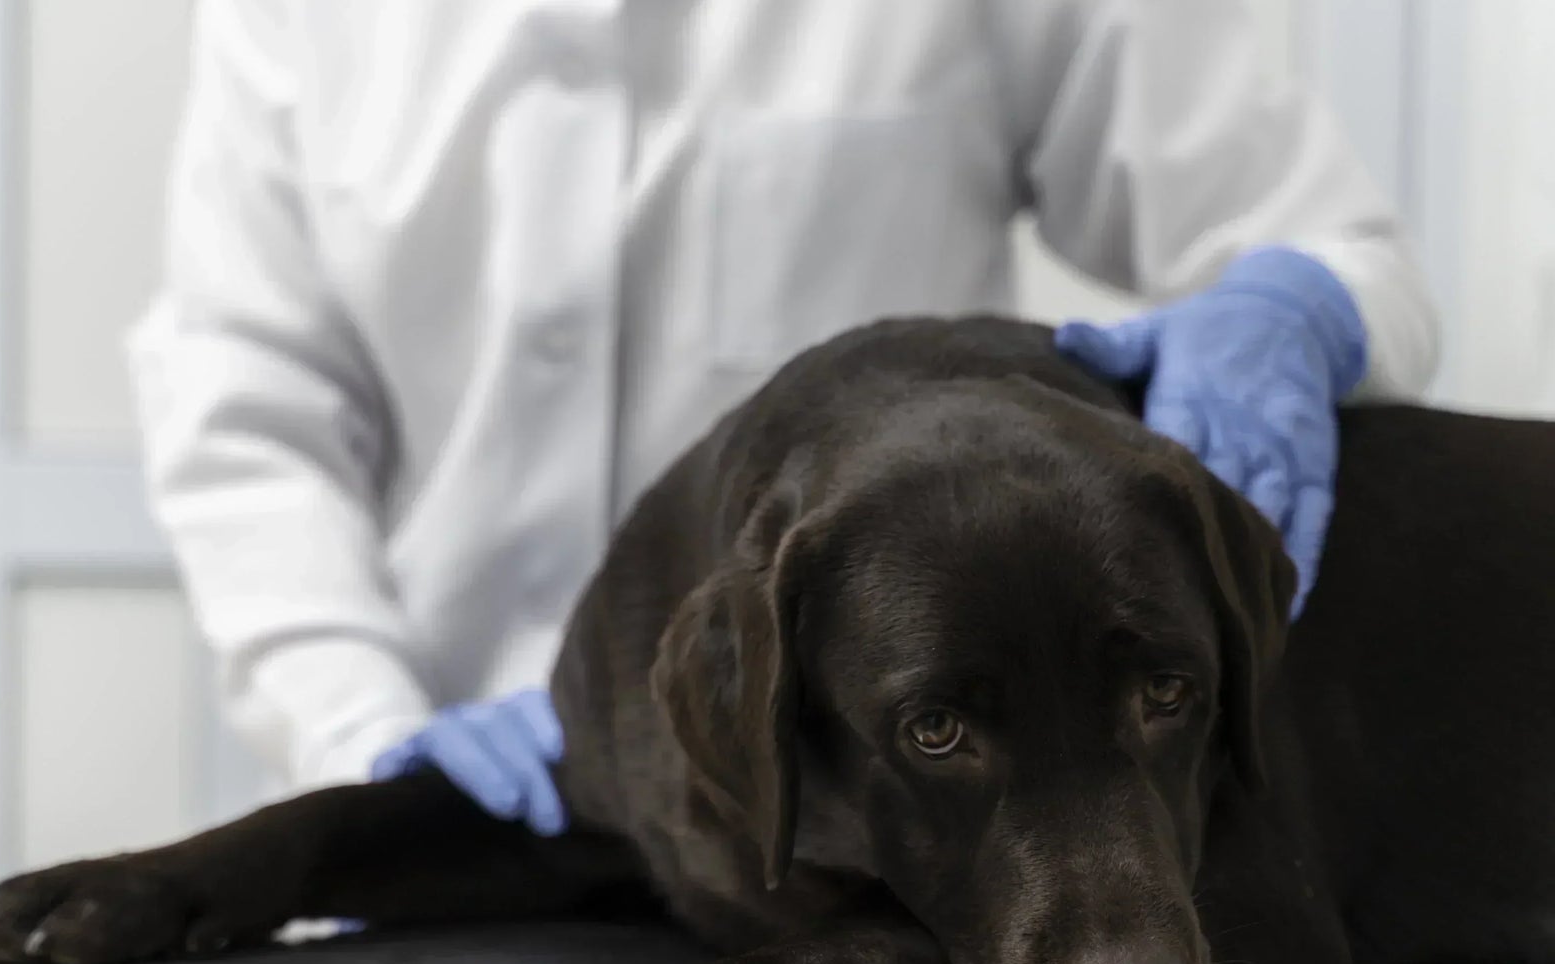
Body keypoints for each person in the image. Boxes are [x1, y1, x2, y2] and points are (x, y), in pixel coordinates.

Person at [128, 1, 1438, 838]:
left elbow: (1331, 237)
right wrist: (363, 736)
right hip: (454, 801)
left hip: (854, 847)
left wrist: (1294, 298)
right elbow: (250, 397)